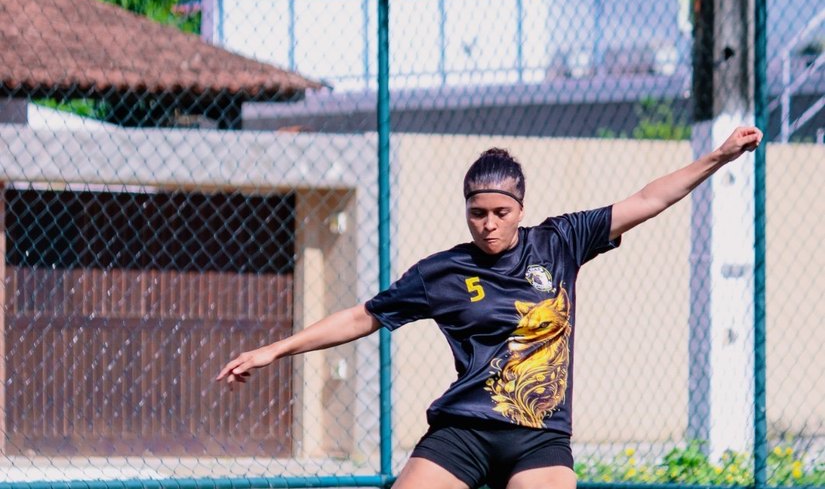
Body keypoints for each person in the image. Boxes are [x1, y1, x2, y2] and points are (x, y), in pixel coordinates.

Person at [216, 125, 763, 489]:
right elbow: (363, 315)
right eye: (478, 212)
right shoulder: (443, 273)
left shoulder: (560, 242)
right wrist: (275, 350)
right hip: (464, 430)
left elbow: (648, 198)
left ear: (520, 207)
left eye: (501, 211)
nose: (489, 223)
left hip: (540, 436)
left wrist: (717, 157)